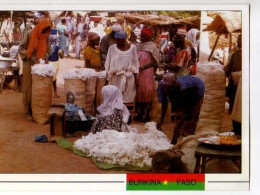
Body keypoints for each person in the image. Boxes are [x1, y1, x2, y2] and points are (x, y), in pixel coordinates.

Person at [157, 73, 205, 145]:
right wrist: (161, 121)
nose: (166, 89)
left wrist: (183, 115)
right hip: (185, 88)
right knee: (180, 116)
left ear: (172, 86)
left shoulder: (182, 88)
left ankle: (189, 138)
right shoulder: (161, 86)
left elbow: (185, 107)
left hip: (197, 89)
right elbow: (164, 104)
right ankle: (176, 138)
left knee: (192, 114)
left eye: (168, 88)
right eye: (165, 87)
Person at [18, 18, 52, 120]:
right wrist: (32, 57)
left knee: (38, 89)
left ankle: (35, 110)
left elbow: (49, 50)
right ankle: (27, 112)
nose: (45, 33)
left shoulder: (45, 36)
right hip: (28, 64)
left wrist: (45, 56)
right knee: (28, 88)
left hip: (40, 66)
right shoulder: (29, 34)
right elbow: (21, 49)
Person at [104, 31, 140, 103]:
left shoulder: (132, 48)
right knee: (114, 99)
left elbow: (136, 64)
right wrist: (107, 76)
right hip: (115, 78)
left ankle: (126, 113)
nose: (117, 41)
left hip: (128, 78)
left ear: (124, 39)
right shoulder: (112, 48)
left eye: (120, 40)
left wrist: (136, 79)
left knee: (126, 99)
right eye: (116, 40)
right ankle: (114, 113)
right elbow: (107, 63)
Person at [135, 28, 160, 122]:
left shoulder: (152, 46)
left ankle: (147, 115)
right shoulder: (139, 45)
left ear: (148, 37)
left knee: (147, 93)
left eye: (144, 35)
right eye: (141, 35)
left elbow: (155, 62)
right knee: (139, 92)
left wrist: (143, 67)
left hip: (147, 72)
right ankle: (140, 113)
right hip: (139, 72)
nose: (142, 37)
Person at [224, 34, 242, 113]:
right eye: (238, 40)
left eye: (240, 40)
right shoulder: (235, 53)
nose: (238, 42)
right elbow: (230, 67)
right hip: (235, 82)